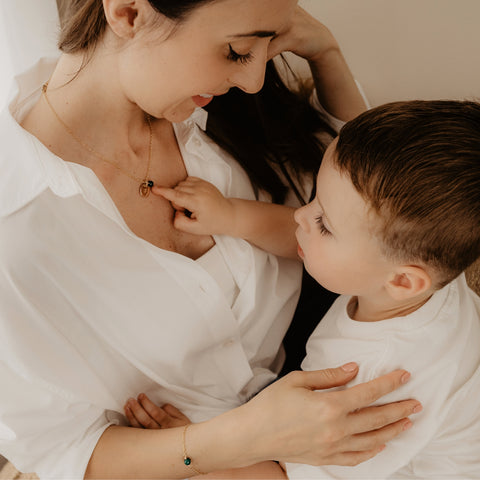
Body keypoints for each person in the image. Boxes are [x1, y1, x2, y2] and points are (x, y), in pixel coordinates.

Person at [0, 1, 421, 478]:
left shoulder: (222, 109)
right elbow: (65, 454)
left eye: (265, 47)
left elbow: (382, 216)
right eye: (238, 52)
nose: (255, 79)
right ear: (129, 12)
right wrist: (245, 440)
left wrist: (324, 51)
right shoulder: (17, 229)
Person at [148, 100, 480, 478]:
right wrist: (230, 214)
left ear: (403, 281)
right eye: (315, 200)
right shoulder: (417, 274)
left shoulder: (383, 381)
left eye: (325, 224)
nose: (302, 215)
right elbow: (306, 238)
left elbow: (294, 473)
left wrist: (196, 458)